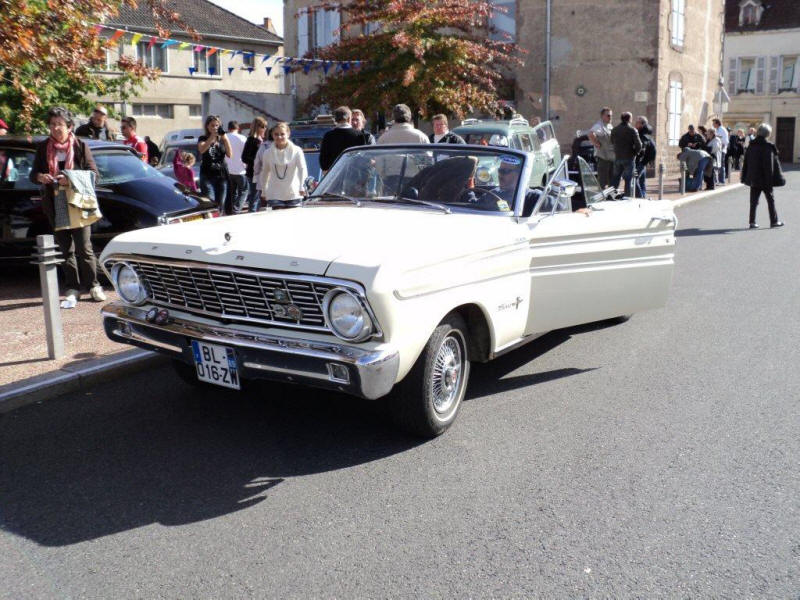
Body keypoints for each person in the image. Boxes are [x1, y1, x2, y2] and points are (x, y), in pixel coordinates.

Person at [29, 106, 105, 306]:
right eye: (52, 124)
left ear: (69, 126)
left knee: (84, 248)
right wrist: (40, 177)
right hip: (55, 203)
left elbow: (94, 175)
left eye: (60, 124)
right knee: (66, 250)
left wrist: (70, 179)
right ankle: (72, 288)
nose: (55, 128)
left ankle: (94, 285)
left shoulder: (80, 146)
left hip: (78, 203)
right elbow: (32, 175)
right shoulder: (43, 147)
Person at [741, 123, 784, 229]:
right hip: (765, 178)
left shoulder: (751, 145)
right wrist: (773, 179)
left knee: (753, 201)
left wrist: (745, 176)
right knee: (770, 200)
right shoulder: (768, 146)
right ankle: (774, 221)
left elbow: (746, 162)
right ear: (767, 134)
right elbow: (770, 165)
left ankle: (752, 222)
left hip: (754, 177)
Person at [257, 122, 308, 203]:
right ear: (272, 135)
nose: (279, 137)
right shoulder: (267, 153)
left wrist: (302, 186)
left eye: (282, 134)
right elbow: (265, 173)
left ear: (288, 134)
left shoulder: (297, 151)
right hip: (275, 195)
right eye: (276, 134)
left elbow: (302, 169)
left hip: (294, 194)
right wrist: (264, 190)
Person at [197, 115, 232, 209]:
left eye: (217, 125)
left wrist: (225, 138)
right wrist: (212, 137)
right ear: (207, 126)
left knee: (221, 204)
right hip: (207, 175)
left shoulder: (222, 140)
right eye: (212, 125)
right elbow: (202, 150)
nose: (215, 128)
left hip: (221, 175)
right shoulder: (203, 138)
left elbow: (230, 154)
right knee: (210, 202)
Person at [319, 106, 367, 173]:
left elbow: (323, 161)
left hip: (334, 175)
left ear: (336, 119)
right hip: (354, 175)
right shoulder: (359, 135)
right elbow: (363, 158)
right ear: (349, 119)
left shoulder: (328, 136)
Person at [610, 111, 642, 197]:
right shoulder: (632, 130)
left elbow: (612, 141)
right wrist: (635, 153)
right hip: (629, 158)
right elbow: (639, 145)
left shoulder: (614, 130)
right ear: (629, 119)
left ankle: (611, 197)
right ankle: (627, 198)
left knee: (615, 179)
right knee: (628, 180)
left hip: (618, 157)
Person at [241, 116, 267, 212]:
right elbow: (244, 157)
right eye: (262, 126)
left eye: (265, 127)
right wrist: (257, 162)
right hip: (253, 173)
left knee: (258, 198)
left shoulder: (260, 140)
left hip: (260, 173)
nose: (264, 129)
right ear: (257, 127)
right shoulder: (252, 140)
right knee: (254, 198)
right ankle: (252, 215)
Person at [224, 120, 248, 214]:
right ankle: (236, 209)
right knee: (244, 191)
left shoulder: (224, 138)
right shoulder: (242, 138)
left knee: (232, 192)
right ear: (238, 128)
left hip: (228, 170)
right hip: (240, 169)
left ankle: (231, 209)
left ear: (228, 128)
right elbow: (246, 153)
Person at [587, 107, 615, 188]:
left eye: (611, 115)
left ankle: (610, 194)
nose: (610, 117)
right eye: (608, 115)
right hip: (603, 158)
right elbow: (590, 134)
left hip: (611, 158)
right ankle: (602, 194)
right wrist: (596, 143)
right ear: (602, 116)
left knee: (611, 180)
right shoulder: (599, 125)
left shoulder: (609, 125)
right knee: (602, 181)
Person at [634, 115, 656, 198]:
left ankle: (640, 197)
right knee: (642, 181)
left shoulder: (643, 135)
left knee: (634, 180)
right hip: (643, 162)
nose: (635, 123)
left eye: (637, 122)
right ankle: (643, 196)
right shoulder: (647, 133)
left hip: (640, 161)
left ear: (642, 124)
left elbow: (643, 148)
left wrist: (641, 158)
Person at [712, 118, 729, 183]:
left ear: (717, 123)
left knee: (721, 165)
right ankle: (719, 180)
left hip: (721, 150)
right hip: (718, 150)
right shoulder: (718, 129)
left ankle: (722, 180)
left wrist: (721, 149)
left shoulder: (722, 130)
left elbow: (725, 141)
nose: (713, 125)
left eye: (714, 123)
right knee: (719, 164)